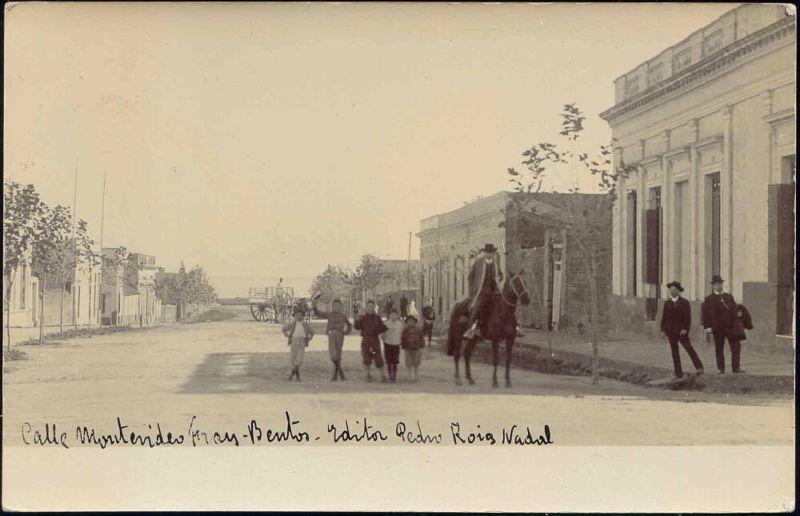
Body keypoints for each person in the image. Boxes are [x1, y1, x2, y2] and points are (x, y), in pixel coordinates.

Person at [660, 281, 704, 379]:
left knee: (688, 348)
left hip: (681, 331)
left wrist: (685, 328)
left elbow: (687, 317)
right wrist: (663, 330)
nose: (672, 292)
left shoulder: (684, 303)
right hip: (671, 331)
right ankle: (678, 373)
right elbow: (664, 318)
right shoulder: (667, 303)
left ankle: (699, 366)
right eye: (671, 290)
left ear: (679, 291)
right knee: (674, 351)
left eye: (674, 290)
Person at [701, 275, 744, 374]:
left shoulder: (729, 296)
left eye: (720, 284)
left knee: (736, 347)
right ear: (713, 286)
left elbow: (734, 309)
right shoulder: (709, 299)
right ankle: (721, 369)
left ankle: (736, 367)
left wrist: (738, 315)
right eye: (717, 284)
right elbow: (705, 314)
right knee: (719, 348)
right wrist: (707, 326)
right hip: (717, 328)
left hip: (730, 327)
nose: (719, 286)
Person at [464, 243, 503, 339]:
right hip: (482, 292)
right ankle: (470, 330)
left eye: (492, 253)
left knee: (506, 305)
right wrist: (474, 289)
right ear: (485, 253)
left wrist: (499, 277)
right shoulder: (478, 262)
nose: (490, 255)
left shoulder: (495, 263)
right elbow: (470, 277)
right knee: (477, 309)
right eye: (488, 253)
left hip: (494, 291)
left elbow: (501, 274)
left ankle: (514, 328)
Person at [312, 294, 353, 381]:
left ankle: (335, 375)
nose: (336, 307)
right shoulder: (329, 314)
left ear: (341, 307)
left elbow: (349, 325)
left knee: (338, 354)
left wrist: (346, 332)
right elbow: (318, 313)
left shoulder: (343, 315)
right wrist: (314, 305)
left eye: (338, 306)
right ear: (332, 306)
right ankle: (340, 370)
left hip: (340, 335)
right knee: (332, 354)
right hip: (331, 334)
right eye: (334, 306)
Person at [354, 300, 389, 383]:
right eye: (369, 306)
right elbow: (357, 327)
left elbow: (382, 328)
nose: (371, 308)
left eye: (372, 306)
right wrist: (357, 320)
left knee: (379, 358)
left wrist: (385, 328)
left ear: (374, 307)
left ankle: (383, 376)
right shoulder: (362, 318)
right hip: (366, 339)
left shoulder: (377, 318)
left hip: (375, 339)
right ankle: (368, 375)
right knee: (366, 358)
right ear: (366, 308)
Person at [281, 306, 315, 381]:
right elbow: (284, 329)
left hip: (302, 341)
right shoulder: (292, 324)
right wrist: (287, 335)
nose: (299, 317)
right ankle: (297, 376)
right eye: (297, 315)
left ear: (303, 316)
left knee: (299, 358)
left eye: (301, 315)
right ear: (294, 316)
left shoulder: (305, 324)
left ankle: (292, 374)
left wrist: (309, 339)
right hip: (294, 341)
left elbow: (312, 332)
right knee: (293, 358)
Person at [381, 308, 404, 383]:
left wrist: (400, 341)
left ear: (398, 316)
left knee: (395, 362)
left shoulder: (400, 324)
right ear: (389, 315)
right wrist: (384, 340)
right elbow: (382, 334)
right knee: (388, 361)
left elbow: (403, 334)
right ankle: (390, 376)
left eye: (395, 315)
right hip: (388, 344)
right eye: (392, 315)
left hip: (396, 344)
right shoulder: (386, 324)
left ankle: (394, 376)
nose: (393, 316)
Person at [401, 314, 425, 382]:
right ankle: (409, 376)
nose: (410, 322)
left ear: (415, 322)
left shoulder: (418, 330)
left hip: (417, 348)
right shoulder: (405, 330)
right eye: (409, 321)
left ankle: (416, 376)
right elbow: (402, 338)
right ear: (407, 322)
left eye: (412, 321)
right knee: (409, 363)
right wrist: (403, 347)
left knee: (416, 362)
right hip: (408, 348)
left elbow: (421, 338)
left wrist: (422, 345)